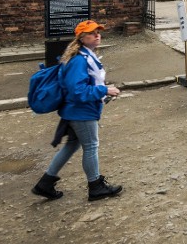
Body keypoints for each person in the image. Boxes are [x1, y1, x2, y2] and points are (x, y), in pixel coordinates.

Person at [32, 20, 123, 202]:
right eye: (92, 33)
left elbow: (84, 85)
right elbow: (77, 91)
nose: (97, 35)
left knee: (72, 145)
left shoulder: (86, 56)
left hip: (78, 110)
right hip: (81, 112)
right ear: (82, 37)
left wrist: (102, 90)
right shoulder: (79, 60)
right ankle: (95, 186)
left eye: (98, 32)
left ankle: (45, 183)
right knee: (91, 146)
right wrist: (104, 90)